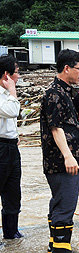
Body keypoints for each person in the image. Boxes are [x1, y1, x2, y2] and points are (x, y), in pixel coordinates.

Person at [40, 49, 79, 253]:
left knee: (59, 202)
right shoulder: (54, 93)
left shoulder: (68, 92)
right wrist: (68, 156)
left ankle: (55, 244)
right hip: (61, 161)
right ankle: (61, 252)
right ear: (66, 68)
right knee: (66, 204)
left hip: (69, 159)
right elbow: (55, 128)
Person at [0, 54, 23, 240]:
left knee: (13, 192)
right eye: (16, 72)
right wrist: (13, 90)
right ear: (7, 75)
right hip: (0, 148)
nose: (19, 76)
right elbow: (13, 111)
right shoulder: (4, 95)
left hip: (11, 147)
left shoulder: (7, 95)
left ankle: (11, 233)